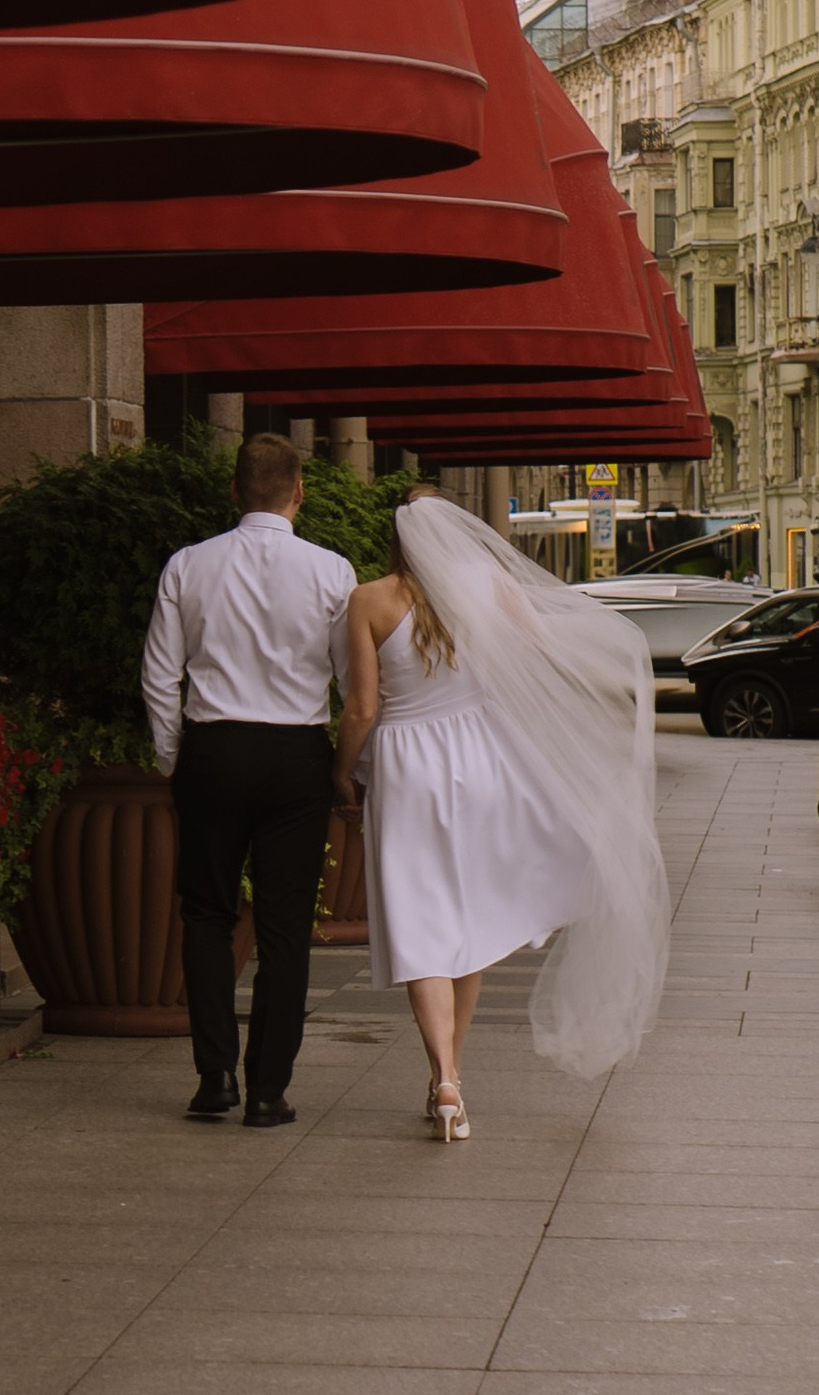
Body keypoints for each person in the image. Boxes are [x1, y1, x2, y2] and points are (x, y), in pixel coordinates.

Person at [335, 489, 670, 1136]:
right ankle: (451, 1078)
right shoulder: (490, 588)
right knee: (470, 921)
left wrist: (341, 770)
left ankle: (446, 1078)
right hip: (481, 760)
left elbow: (363, 709)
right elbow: (538, 662)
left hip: (409, 768)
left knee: (419, 923)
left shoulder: (370, 600)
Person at [143, 431, 353, 1127]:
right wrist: (348, 770)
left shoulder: (187, 565)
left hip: (214, 749)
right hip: (296, 755)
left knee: (205, 915)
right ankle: (268, 1090)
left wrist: (177, 757)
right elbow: (352, 683)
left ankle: (214, 1079)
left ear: (234, 491)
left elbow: (159, 676)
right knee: (286, 927)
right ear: (299, 493)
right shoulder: (333, 572)